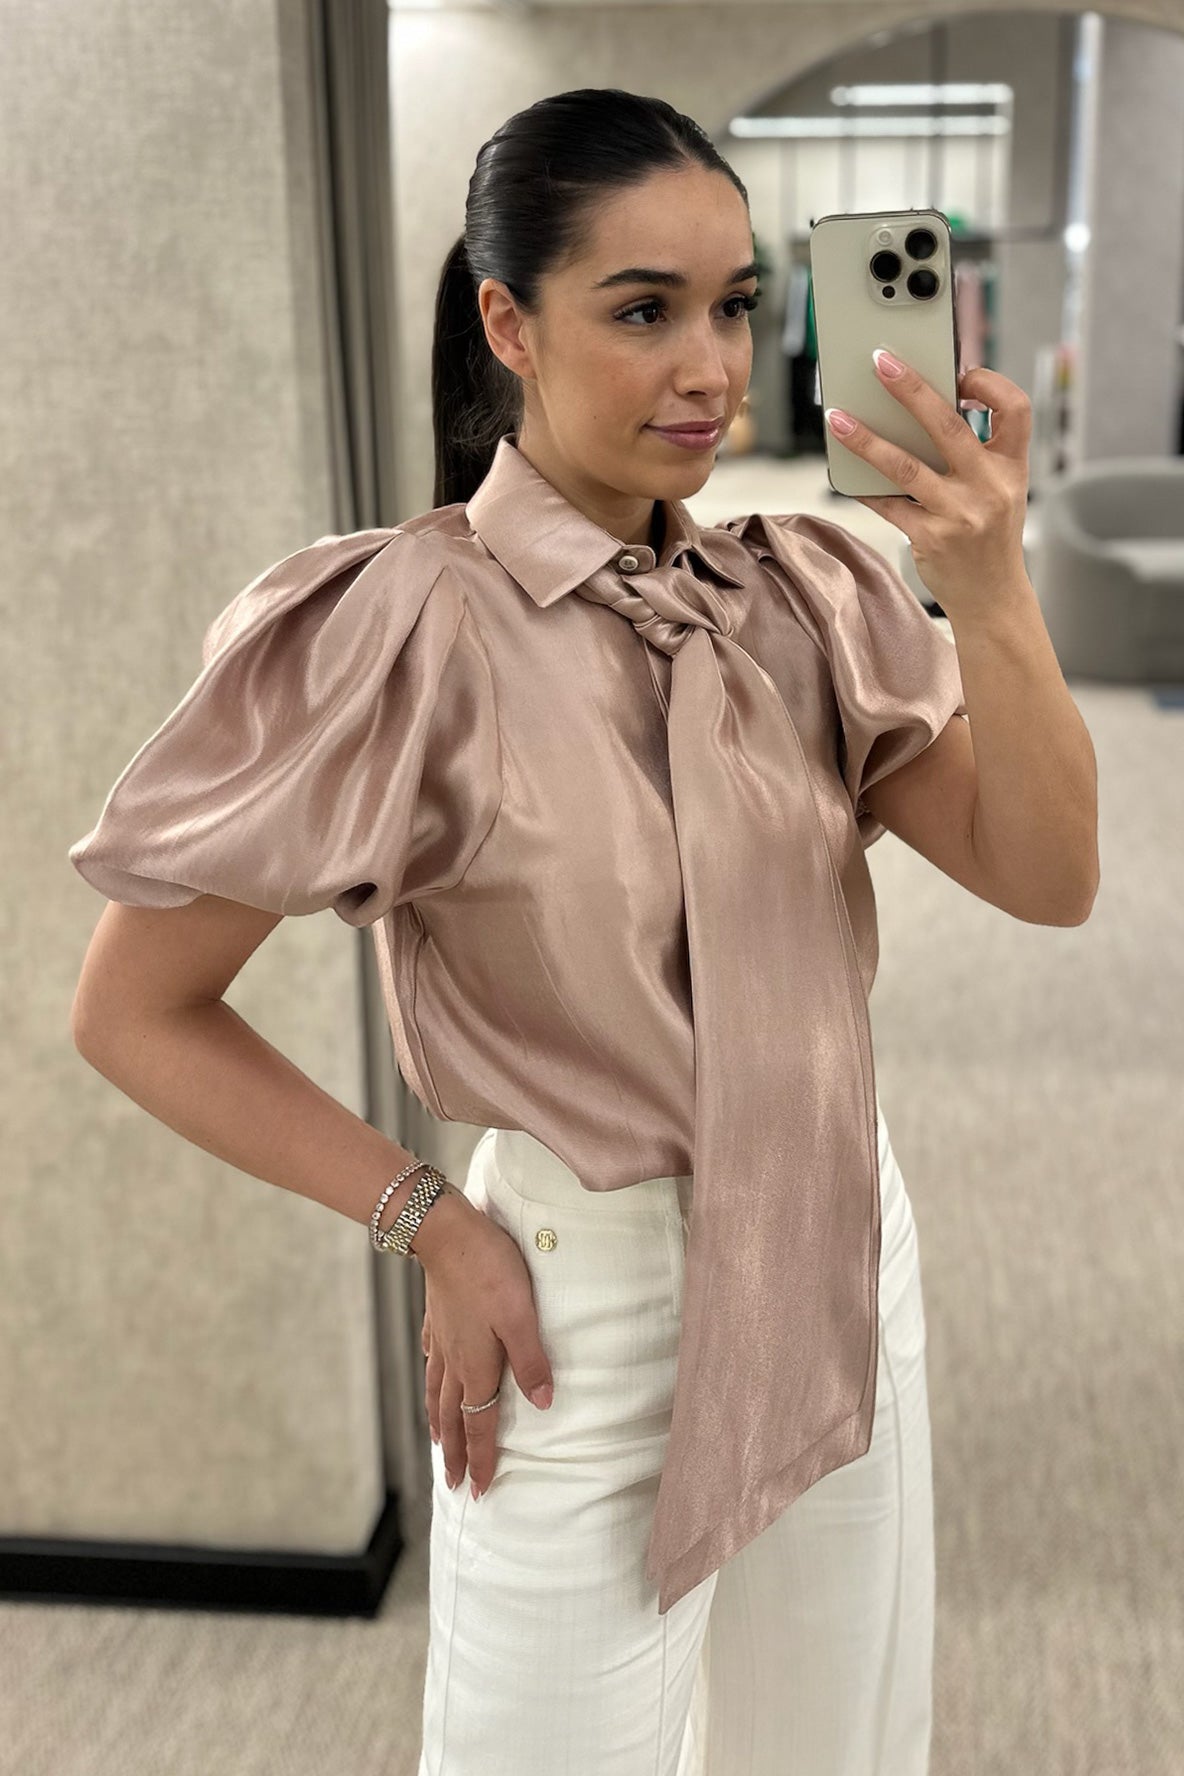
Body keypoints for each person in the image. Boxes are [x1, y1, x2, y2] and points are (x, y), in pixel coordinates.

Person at [69, 87, 974, 1776]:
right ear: (509, 323)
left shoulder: (803, 593)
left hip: (846, 1241)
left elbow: (1054, 875)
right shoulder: (402, 628)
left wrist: (987, 578)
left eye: (735, 306)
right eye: (643, 311)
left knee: (840, 1752)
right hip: (580, 1309)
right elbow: (134, 1011)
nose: (710, 368)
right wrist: (431, 1225)